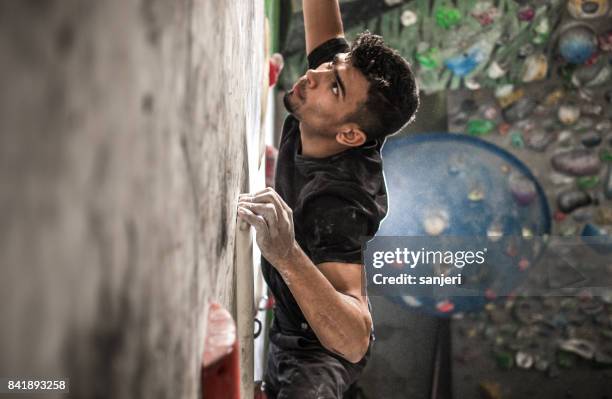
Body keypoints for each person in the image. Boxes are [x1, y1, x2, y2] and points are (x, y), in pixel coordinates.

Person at [237, 1, 419, 397]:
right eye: (331, 65)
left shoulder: (338, 203)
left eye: (335, 84)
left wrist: (285, 252)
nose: (315, 74)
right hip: (290, 312)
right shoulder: (335, 96)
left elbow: (354, 341)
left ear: (350, 136)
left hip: (318, 351)